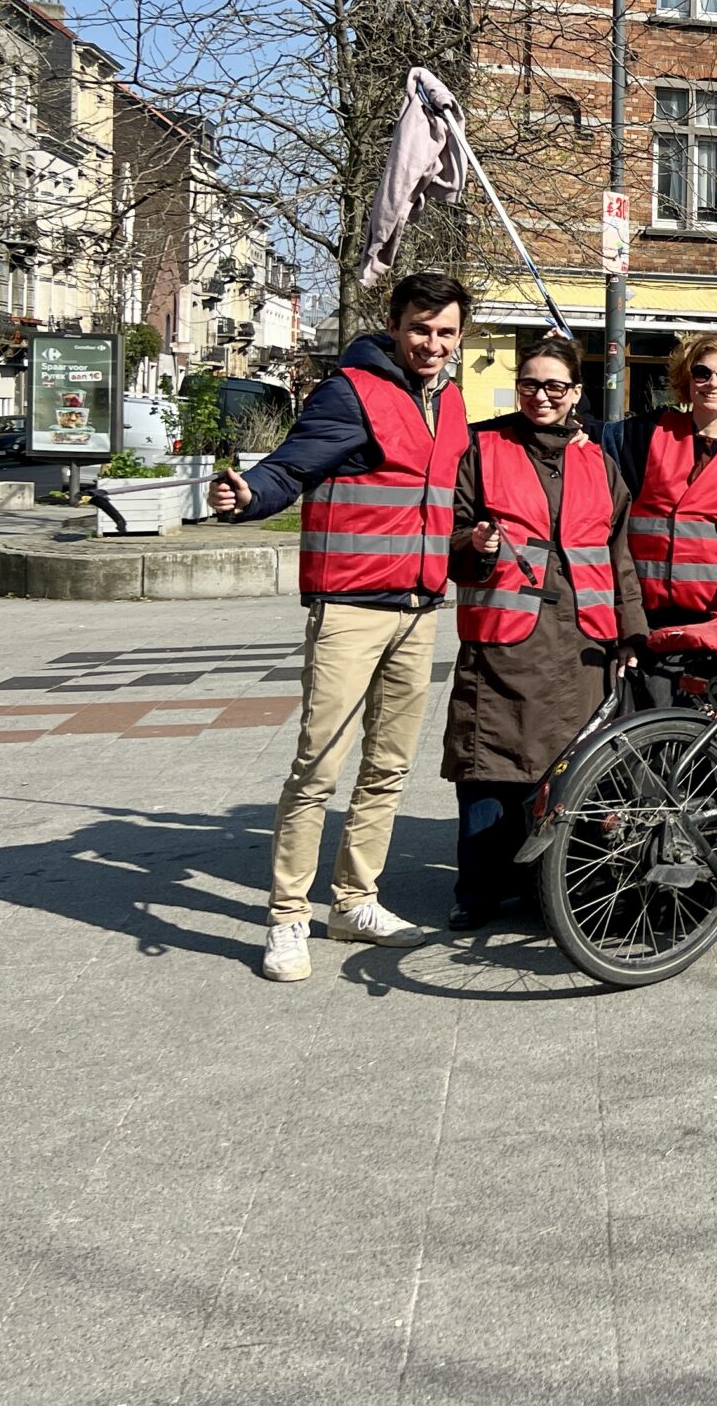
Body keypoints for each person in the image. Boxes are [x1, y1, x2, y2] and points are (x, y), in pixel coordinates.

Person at [210, 272, 474, 982]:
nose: (432, 343)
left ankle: (355, 901)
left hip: (419, 610)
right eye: (421, 328)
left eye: (446, 332)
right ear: (394, 324)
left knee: (389, 767)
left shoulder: (449, 401)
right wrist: (248, 495)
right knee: (318, 767)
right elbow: (289, 468)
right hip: (351, 610)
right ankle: (288, 915)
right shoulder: (350, 390)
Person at [440, 333, 649, 929]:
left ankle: (548, 888)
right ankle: (478, 892)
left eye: (555, 386)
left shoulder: (600, 464)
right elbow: (449, 538)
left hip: (584, 647)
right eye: (530, 383)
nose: (541, 395)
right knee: (491, 768)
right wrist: (472, 544)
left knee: (569, 772)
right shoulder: (483, 451)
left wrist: (631, 633)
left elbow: (618, 557)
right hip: (505, 640)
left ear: (576, 393)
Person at [615, 333, 717, 673]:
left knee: (716, 721)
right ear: (687, 378)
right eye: (702, 373)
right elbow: (587, 432)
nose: (713, 383)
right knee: (652, 721)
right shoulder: (647, 433)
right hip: (650, 616)